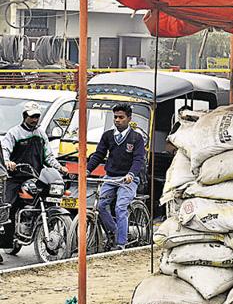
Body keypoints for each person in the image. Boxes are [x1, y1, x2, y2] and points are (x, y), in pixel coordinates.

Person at [0, 101, 69, 264]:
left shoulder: (41, 134)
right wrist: (8, 161)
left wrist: (59, 167)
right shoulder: (14, 133)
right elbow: (5, 150)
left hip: (36, 177)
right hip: (15, 178)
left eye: (37, 116)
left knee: (45, 201)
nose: (35, 119)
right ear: (25, 116)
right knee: (7, 209)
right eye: (32, 116)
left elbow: (48, 156)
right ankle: (4, 242)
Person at [86, 103, 146, 251]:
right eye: (115, 117)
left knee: (120, 208)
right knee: (100, 206)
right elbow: (99, 155)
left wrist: (131, 174)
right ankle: (114, 231)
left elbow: (138, 159)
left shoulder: (136, 138)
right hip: (110, 177)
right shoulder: (107, 136)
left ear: (129, 119)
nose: (117, 120)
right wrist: (87, 170)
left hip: (128, 179)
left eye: (121, 117)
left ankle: (121, 243)